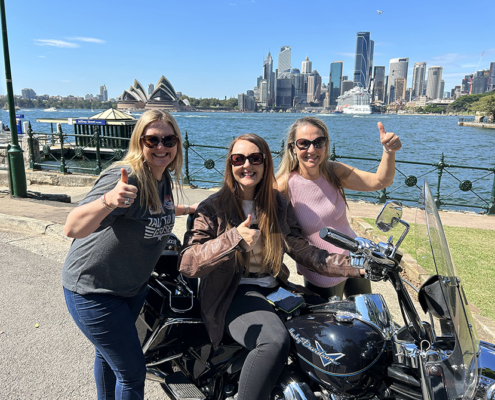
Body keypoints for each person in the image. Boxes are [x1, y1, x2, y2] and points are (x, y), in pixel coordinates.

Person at [179, 133, 363, 400]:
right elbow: (188, 262)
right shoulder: (212, 207)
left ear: (265, 164)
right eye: (238, 159)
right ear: (230, 165)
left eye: (255, 158)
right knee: (273, 342)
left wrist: (355, 265)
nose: (247, 165)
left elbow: (303, 250)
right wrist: (232, 239)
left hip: (274, 287)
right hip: (231, 293)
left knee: (340, 325)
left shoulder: (277, 204)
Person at [62, 109, 196, 399]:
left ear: (177, 143)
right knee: (133, 373)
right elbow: (72, 227)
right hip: (93, 290)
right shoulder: (126, 178)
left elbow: (155, 211)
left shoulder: (162, 177)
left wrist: (193, 210)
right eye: (153, 140)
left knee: (108, 358)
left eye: (168, 139)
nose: (161, 147)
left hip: (131, 288)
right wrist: (108, 201)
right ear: (140, 142)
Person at [276, 116, 402, 301]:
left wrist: (388, 151)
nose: (312, 149)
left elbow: (381, 181)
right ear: (292, 148)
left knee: (366, 319)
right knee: (329, 326)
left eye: (319, 142)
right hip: (323, 270)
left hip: (356, 259)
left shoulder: (333, 171)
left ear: (326, 144)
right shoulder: (283, 186)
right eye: (303, 143)